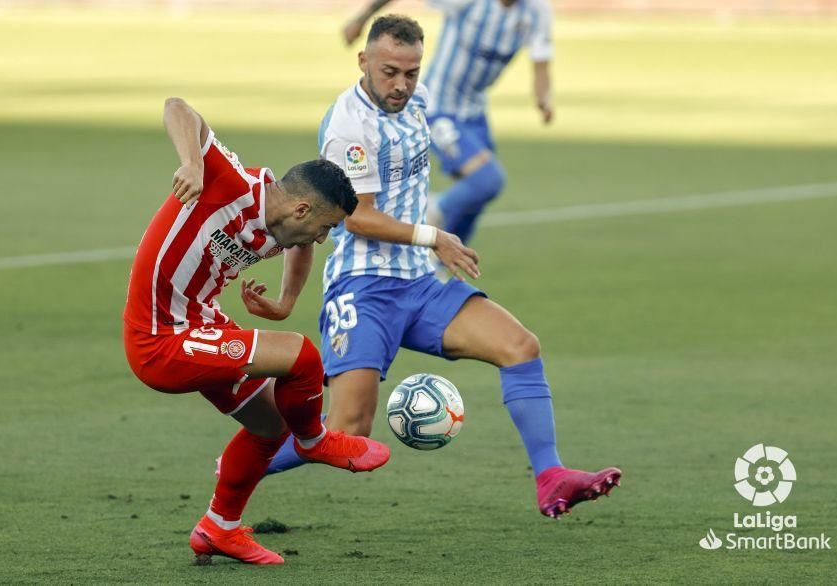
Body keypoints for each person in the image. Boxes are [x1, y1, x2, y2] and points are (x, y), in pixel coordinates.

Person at [266, 16, 621, 519]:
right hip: (362, 287)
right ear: (363, 62)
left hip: (417, 283)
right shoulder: (349, 125)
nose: (401, 85)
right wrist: (435, 236)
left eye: (411, 73)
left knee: (520, 347)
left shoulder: (422, 102)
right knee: (346, 432)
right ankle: (237, 470)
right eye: (390, 72)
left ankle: (551, 476)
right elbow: (358, 215)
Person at [123, 97, 390, 565]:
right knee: (303, 357)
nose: (322, 239)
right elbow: (177, 108)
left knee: (270, 425)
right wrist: (191, 164)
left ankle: (218, 528)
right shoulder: (229, 183)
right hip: (158, 340)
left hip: (197, 324)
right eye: (325, 227)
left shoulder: (285, 224)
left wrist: (286, 302)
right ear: (303, 208)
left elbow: (301, 246)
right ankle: (314, 440)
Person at [343, 0, 555, 248]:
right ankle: (433, 210)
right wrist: (361, 19)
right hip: (438, 106)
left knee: (476, 198)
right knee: (487, 180)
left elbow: (541, 61)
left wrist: (544, 97)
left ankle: (444, 267)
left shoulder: (535, 12)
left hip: (475, 112)